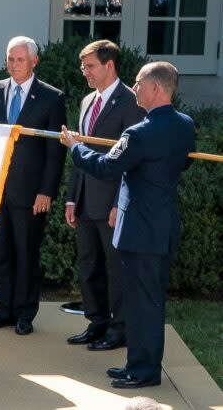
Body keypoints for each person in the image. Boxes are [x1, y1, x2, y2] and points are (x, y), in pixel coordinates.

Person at [60, 61, 195, 389]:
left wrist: (76, 148)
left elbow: (107, 167)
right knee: (146, 301)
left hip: (140, 230)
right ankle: (137, 363)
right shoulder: (185, 125)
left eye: (139, 83)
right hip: (163, 226)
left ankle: (144, 372)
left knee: (143, 303)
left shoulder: (139, 133)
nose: (134, 88)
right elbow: (185, 162)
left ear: (157, 89)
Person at [0, 36, 67, 335]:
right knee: (0, 252)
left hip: (31, 193)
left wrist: (47, 190)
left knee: (26, 253)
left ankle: (26, 313)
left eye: (20, 60)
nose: (14, 65)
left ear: (34, 61)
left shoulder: (52, 98)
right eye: (10, 59)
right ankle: (5, 308)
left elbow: (55, 151)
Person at [65, 40, 145, 351]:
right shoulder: (87, 101)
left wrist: (117, 204)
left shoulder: (130, 102)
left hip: (111, 203)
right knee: (88, 264)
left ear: (109, 65)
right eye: (83, 66)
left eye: (90, 66)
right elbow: (80, 151)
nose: (84, 71)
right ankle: (96, 321)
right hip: (85, 200)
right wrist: (72, 197)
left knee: (115, 268)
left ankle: (119, 327)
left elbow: (131, 159)